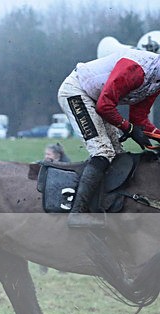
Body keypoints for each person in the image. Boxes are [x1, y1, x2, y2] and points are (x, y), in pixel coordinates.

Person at [58, 48, 160, 228]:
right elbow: (105, 106)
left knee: (118, 155)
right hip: (77, 91)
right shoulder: (136, 69)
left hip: (98, 100)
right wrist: (128, 129)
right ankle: (77, 213)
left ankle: (107, 207)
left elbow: (139, 119)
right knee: (103, 152)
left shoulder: (156, 81)